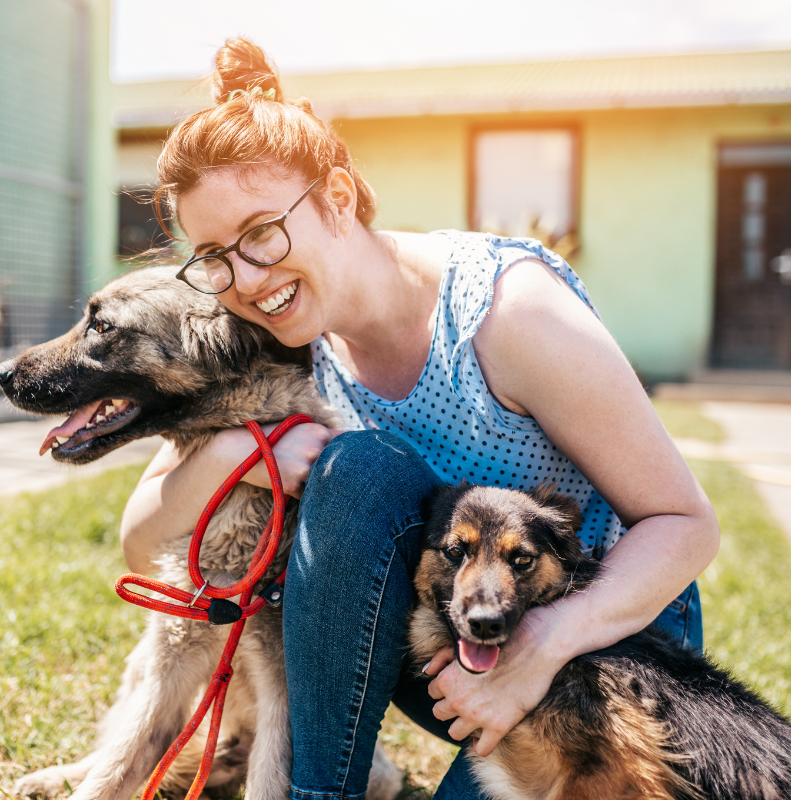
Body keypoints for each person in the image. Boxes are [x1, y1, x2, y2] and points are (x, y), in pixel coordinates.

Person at [119, 38, 719, 800]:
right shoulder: (288, 335)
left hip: (603, 645)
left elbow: (685, 522)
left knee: (357, 464)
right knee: (358, 472)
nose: (244, 278)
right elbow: (140, 539)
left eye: (261, 233)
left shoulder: (511, 314)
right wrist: (234, 449)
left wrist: (540, 649)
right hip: (455, 646)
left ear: (337, 197)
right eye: (213, 256)